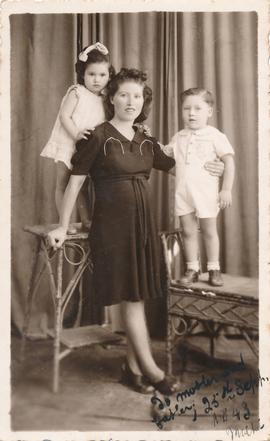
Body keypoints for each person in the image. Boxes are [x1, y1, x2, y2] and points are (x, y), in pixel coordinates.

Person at [162, 87, 235, 287]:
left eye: (197, 108)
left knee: (210, 231)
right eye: (187, 109)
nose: (191, 113)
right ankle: (192, 268)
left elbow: (229, 162)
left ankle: (213, 268)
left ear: (209, 111)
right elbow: (166, 157)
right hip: (183, 193)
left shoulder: (215, 135)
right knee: (188, 232)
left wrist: (226, 189)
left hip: (206, 193)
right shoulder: (179, 137)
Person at [40, 42, 115, 232]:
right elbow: (64, 116)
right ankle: (63, 223)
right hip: (68, 143)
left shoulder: (105, 99)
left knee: (82, 184)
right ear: (83, 74)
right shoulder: (77, 92)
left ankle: (86, 220)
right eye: (91, 74)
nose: (97, 80)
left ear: (109, 76)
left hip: (87, 149)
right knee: (63, 182)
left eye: (102, 75)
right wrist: (76, 134)